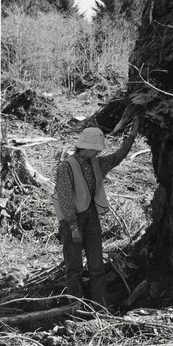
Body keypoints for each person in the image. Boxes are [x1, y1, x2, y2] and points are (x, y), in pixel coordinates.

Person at [52, 121, 139, 309]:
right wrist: (74, 228)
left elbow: (118, 156)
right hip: (71, 221)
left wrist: (131, 136)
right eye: (96, 149)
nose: (99, 152)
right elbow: (65, 199)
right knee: (74, 268)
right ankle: (75, 308)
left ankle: (101, 308)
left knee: (97, 266)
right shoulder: (65, 167)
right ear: (86, 147)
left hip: (91, 217)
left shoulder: (97, 163)